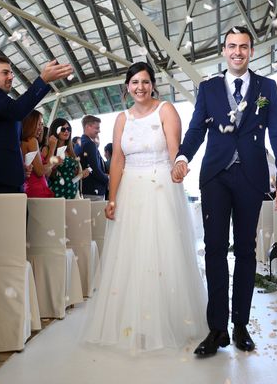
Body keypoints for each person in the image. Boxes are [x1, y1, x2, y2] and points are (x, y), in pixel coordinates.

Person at [172, 26, 277, 357]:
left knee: (245, 251)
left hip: (252, 176)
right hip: (215, 176)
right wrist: (183, 157)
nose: (237, 51)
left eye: (243, 46)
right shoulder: (209, 88)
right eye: (231, 46)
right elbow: (197, 128)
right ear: (223, 51)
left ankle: (240, 326)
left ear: (251, 51)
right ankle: (216, 329)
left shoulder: (267, 87)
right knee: (213, 249)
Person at [82, 62, 206, 353]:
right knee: (130, 254)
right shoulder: (122, 119)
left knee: (163, 253)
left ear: (153, 85)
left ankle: (167, 322)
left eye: (145, 82)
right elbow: (117, 161)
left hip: (161, 186)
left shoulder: (166, 110)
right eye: (135, 82)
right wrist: (112, 198)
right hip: (130, 190)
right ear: (127, 86)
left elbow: (175, 148)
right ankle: (133, 322)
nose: (140, 87)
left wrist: (179, 165)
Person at [0, 56, 72, 193]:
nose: (11, 77)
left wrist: (19, 167)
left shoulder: (2, 101)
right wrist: (42, 80)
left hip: (3, 182)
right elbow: (17, 111)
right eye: (5, 73)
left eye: (11, 73)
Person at [48, 118, 88, 199]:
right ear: (56, 130)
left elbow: (72, 179)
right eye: (63, 129)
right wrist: (53, 166)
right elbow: (46, 175)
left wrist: (81, 175)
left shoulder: (70, 151)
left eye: (68, 129)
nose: (66, 131)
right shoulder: (49, 149)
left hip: (73, 193)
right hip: (57, 193)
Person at [21, 110, 55, 198]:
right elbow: (40, 172)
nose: (41, 128)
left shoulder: (22, 142)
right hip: (38, 190)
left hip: (30, 189)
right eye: (38, 124)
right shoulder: (32, 140)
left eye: (42, 124)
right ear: (30, 123)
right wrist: (54, 160)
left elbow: (46, 172)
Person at [78, 115, 108, 200]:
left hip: (85, 189)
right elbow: (94, 169)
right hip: (94, 190)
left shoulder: (80, 143)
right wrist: (108, 180)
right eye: (97, 128)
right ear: (88, 126)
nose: (99, 131)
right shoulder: (89, 144)